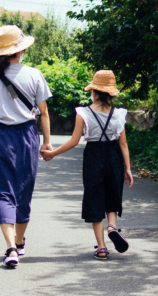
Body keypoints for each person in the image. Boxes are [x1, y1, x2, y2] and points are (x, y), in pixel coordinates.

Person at [0, 24, 53, 269]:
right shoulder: (34, 74)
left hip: (0, 137)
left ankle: (10, 248)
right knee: (23, 190)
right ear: (20, 50)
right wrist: (47, 142)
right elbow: (44, 113)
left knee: (2, 191)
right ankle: (18, 243)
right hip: (28, 136)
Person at [41, 70, 133, 260]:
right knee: (112, 194)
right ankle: (112, 227)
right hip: (114, 155)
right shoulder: (119, 114)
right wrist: (128, 168)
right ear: (111, 93)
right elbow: (123, 143)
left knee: (95, 198)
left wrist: (53, 153)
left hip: (93, 156)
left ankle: (101, 247)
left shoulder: (83, 112)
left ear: (94, 91)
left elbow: (74, 141)